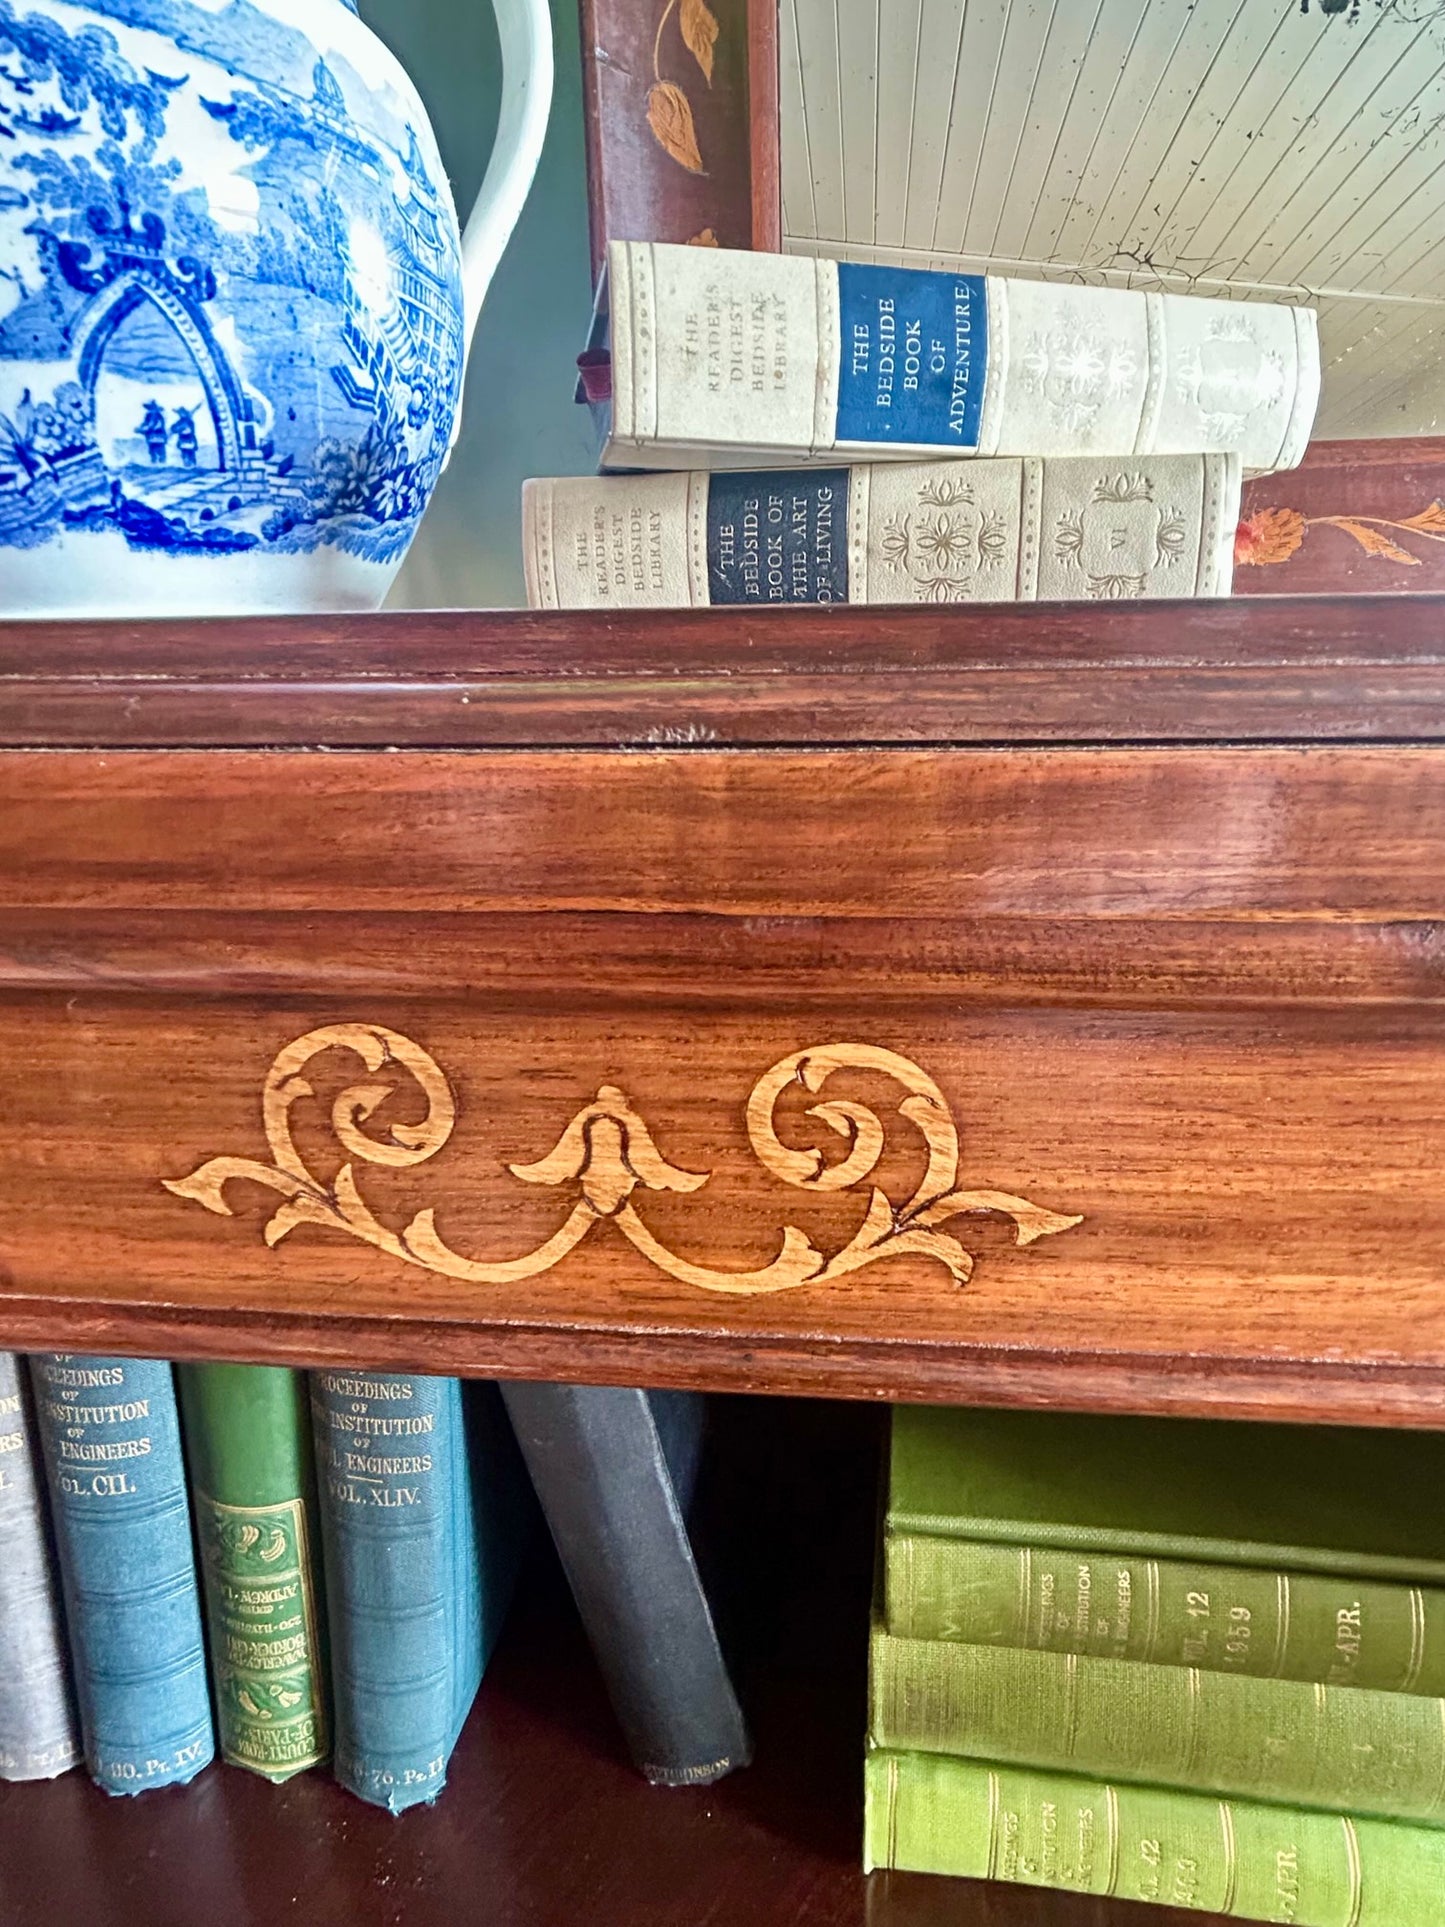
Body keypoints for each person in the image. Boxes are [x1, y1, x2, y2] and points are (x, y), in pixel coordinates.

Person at [139, 399, 167, 465]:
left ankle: (160, 465)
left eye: (152, 409)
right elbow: (145, 424)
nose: (151, 410)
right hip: (154, 437)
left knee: (158, 453)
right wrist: (141, 428)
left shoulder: (157, 416)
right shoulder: (149, 416)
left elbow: (151, 426)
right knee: (154, 453)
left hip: (156, 437)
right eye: (150, 409)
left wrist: (141, 430)